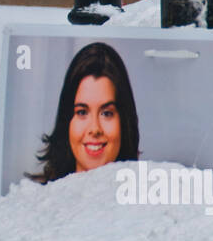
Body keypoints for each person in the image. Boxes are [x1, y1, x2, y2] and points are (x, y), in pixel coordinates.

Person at [28, 42, 141, 184]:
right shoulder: (36, 201)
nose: (95, 129)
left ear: (124, 122)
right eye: (82, 112)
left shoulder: (142, 200)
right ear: (66, 121)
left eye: (106, 113)